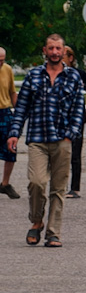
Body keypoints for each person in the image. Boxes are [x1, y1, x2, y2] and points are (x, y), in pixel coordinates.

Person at [8, 33, 85, 248]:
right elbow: (21, 108)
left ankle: (53, 233)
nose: (54, 52)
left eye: (58, 49)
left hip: (62, 139)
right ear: (45, 51)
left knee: (58, 189)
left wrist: (72, 133)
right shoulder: (33, 76)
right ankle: (36, 220)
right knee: (37, 183)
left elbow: (79, 109)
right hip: (38, 139)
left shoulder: (73, 77)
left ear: (63, 51)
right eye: (51, 48)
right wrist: (14, 133)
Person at [61, 46, 86, 198]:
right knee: (58, 153)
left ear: (70, 58)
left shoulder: (78, 73)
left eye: (63, 55)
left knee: (75, 153)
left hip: (76, 118)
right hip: (58, 118)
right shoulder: (54, 73)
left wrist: (84, 86)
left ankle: (75, 188)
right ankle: (58, 186)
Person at [0, 46, 18, 199]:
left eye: (2, 60)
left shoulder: (7, 69)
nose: (1, 63)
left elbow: (12, 91)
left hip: (5, 112)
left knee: (11, 149)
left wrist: (18, 112)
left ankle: (5, 184)